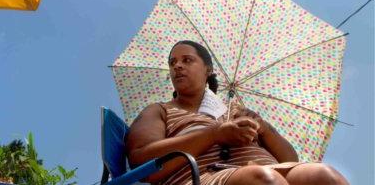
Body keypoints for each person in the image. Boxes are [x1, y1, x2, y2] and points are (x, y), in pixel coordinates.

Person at [126, 40, 349, 185]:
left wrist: (262, 127)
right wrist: (214, 134)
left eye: (187, 60)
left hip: (264, 168)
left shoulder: (234, 112)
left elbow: (290, 159)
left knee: (325, 176)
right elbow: (142, 164)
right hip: (203, 177)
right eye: (173, 62)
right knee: (263, 180)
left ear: (208, 70)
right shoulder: (160, 110)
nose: (177, 66)